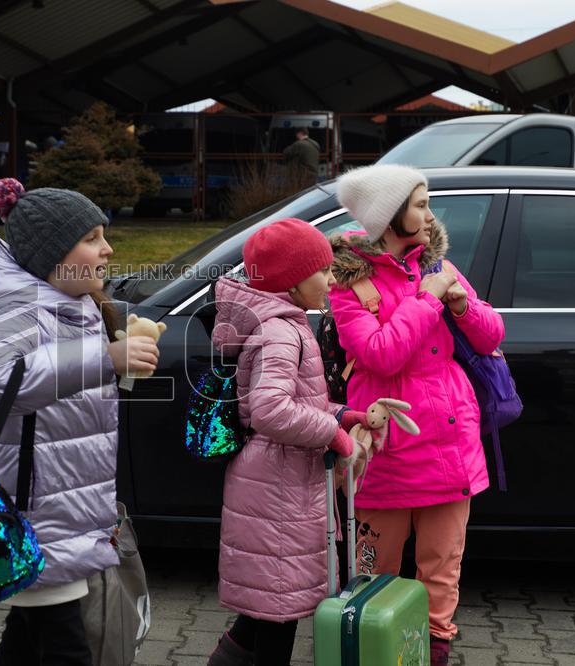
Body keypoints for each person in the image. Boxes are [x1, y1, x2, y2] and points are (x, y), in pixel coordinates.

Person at [0, 178, 159, 665]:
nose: (108, 249)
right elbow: (1, 381)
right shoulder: (24, 311)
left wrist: (119, 366)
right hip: (37, 518)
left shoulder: (75, 305)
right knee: (67, 649)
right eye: (91, 239)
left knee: (27, 639)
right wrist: (107, 358)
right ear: (50, 255)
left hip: (63, 514)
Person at [328, 164, 505, 666]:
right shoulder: (349, 284)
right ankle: (369, 648)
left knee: (442, 571)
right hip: (384, 455)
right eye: (421, 204)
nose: (430, 216)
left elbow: (492, 337)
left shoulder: (436, 266)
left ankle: (436, 652)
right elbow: (382, 355)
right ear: (389, 216)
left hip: (451, 449)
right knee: (372, 573)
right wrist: (429, 301)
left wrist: (461, 305)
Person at [207, 218, 383, 666]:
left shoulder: (285, 321)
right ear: (290, 279)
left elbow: (294, 401)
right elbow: (270, 410)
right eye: (322, 271)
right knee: (276, 616)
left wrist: (344, 415)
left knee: (267, 610)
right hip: (277, 492)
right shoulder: (280, 331)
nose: (330, 280)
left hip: (277, 484)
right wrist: (335, 435)